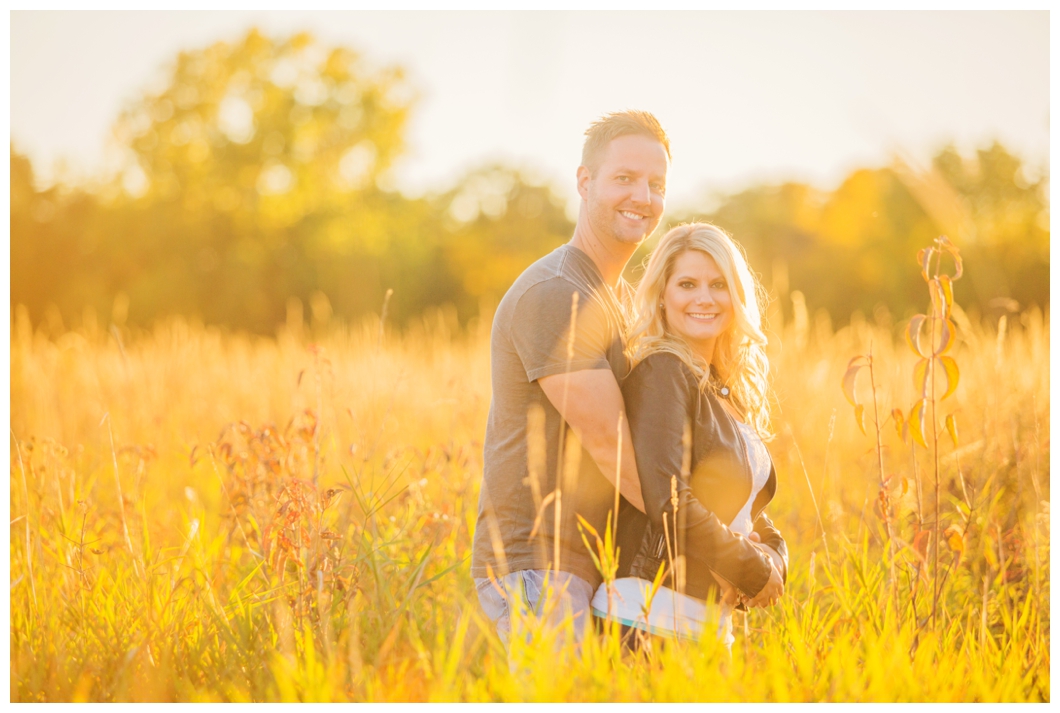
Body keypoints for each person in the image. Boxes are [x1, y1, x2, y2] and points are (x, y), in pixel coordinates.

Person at [470, 111, 670, 653]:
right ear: (585, 182)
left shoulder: (620, 300)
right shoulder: (558, 293)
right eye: (624, 179)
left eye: (656, 185)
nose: (642, 197)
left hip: (593, 564)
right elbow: (612, 444)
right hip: (540, 564)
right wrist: (706, 544)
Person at [590, 222, 788, 649]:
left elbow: (743, 506)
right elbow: (670, 499)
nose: (704, 297)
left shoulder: (719, 387)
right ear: (663, 295)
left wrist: (776, 558)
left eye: (718, 284)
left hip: (707, 628)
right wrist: (752, 571)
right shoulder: (662, 372)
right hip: (649, 616)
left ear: (736, 295)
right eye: (687, 284)